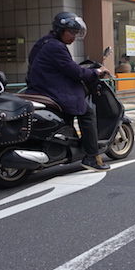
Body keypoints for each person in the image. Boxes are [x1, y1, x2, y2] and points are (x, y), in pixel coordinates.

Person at [25, 12, 111, 171]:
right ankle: (91, 158)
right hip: (53, 90)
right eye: (71, 32)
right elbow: (75, 72)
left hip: (39, 88)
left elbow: (39, 62)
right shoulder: (57, 46)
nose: (74, 36)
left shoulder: (44, 42)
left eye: (77, 33)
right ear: (59, 30)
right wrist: (96, 73)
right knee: (87, 113)